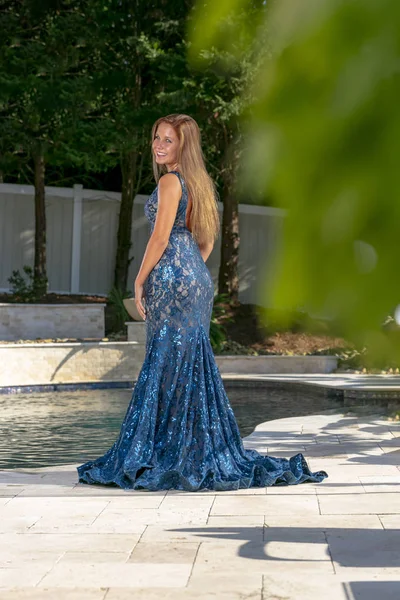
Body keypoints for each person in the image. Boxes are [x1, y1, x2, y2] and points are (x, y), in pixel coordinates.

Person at [77, 114, 328, 491]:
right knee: (189, 360)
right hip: (194, 279)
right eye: (156, 137)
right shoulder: (199, 183)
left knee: (165, 359)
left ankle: (161, 452)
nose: (159, 145)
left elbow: (160, 238)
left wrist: (140, 278)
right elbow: (207, 243)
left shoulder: (169, 181)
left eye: (168, 140)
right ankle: (195, 451)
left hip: (170, 279)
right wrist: (190, 266)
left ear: (183, 146)